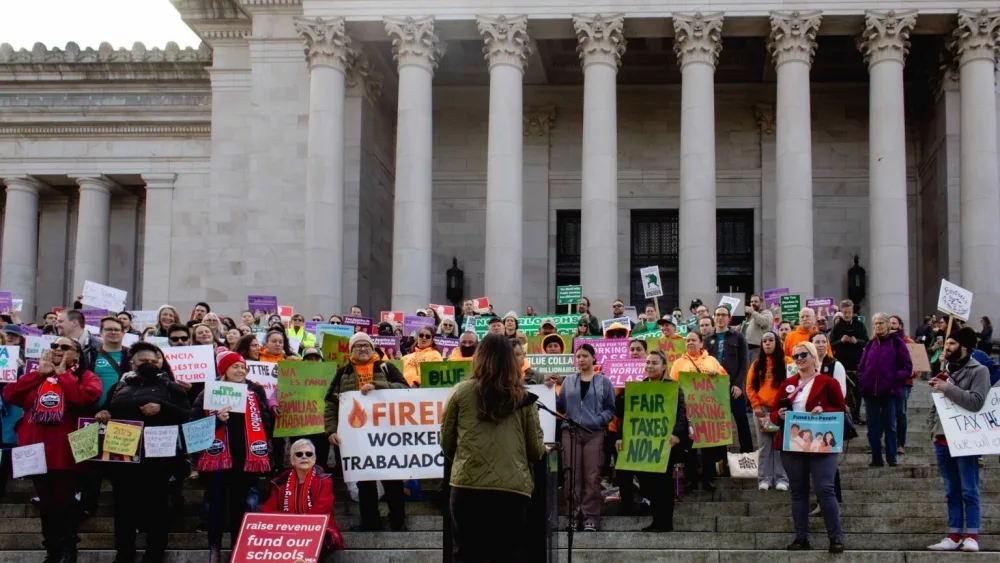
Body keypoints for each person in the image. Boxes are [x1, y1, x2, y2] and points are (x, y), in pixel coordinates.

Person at [440, 333, 545, 561]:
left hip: (467, 486)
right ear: (510, 361)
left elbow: (445, 442)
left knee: (467, 555)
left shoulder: (460, 392)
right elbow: (536, 450)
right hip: (512, 491)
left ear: (478, 358)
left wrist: (466, 459)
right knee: (506, 555)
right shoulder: (524, 398)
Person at [3, 337, 102, 563]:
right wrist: (39, 374)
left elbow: (83, 398)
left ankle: (68, 549)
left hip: (68, 446)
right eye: (54, 346)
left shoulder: (86, 377)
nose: (57, 350)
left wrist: (62, 374)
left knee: (64, 500)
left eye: (65, 347)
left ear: (77, 355)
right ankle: (52, 549)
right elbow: (10, 395)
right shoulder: (37, 376)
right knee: (46, 502)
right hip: (37, 446)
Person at [96, 341, 191, 563]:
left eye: (153, 361)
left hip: (158, 457)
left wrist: (163, 408)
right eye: (143, 361)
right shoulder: (119, 386)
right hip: (123, 454)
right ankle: (124, 552)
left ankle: (154, 554)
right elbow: (106, 407)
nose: (148, 364)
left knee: (157, 506)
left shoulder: (171, 387)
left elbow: (187, 415)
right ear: (133, 363)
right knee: (123, 507)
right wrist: (103, 412)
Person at [194, 351, 273, 561]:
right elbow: (194, 427)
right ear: (224, 370)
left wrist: (264, 453)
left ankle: (239, 549)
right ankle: (215, 547)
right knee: (216, 507)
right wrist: (217, 420)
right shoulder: (207, 394)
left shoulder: (254, 393)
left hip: (245, 462)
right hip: (217, 462)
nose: (240, 370)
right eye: (235, 367)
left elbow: (265, 425)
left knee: (241, 507)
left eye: (242, 367)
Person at [325, 332, 409, 530]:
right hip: (358, 438)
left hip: (388, 435)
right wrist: (330, 430)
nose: (362, 349)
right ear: (351, 350)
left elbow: (405, 390)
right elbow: (330, 404)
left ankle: (398, 522)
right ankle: (370, 521)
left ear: (373, 349)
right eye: (358, 346)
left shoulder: (386, 367)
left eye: (366, 345)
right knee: (365, 481)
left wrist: (378, 386)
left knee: (393, 480)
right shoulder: (343, 372)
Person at [770, 342, 846, 554]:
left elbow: (840, 409)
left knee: (825, 488)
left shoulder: (828, 382)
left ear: (814, 357)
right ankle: (801, 538)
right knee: (798, 491)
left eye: (803, 354)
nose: (799, 358)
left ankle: (835, 538)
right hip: (793, 443)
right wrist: (780, 415)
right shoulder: (787, 383)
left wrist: (825, 409)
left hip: (821, 441)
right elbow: (774, 412)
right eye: (796, 356)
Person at [927, 326, 991, 552]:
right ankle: (954, 535)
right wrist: (932, 429)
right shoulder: (946, 370)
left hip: (966, 439)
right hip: (942, 438)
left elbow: (976, 402)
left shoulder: (979, 370)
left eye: (951, 344)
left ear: (964, 347)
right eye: (946, 344)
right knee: (951, 490)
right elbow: (937, 405)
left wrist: (947, 387)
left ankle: (972, 535)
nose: (947, 348)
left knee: (969, 489)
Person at [615, 350, 690, 531]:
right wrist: (621, 437)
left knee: (664, 483)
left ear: (664, 366)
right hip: (644, 445)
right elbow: (629, 417)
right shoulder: (639, 388)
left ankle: (665, 522)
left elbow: (681, 414)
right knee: (648, 483)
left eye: (654, 363)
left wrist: (676, 434)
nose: (649, 366)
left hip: (666, 444)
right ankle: (657, 520)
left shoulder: (673, 387)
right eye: (647, 362)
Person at [79, 316, 135, 517]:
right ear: (100, 333)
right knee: (87, 465)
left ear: (123, 333)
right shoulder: (89, 356)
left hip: (121, 417)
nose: (113, 332)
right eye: (108, 329)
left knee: (122, 468)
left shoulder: (131, 356)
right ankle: (86, 506)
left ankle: (124, 511)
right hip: (89, 416)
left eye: (117, 329)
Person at [557, 343, 615, 532]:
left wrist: (599, 421)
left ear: (593, 358)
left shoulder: (604, 381)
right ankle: (573, 516)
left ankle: (590, 517)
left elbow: (610, 408)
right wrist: (550, 388)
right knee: (571, 475)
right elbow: (561, 405)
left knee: (592, 475)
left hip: (594, 433)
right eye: (578, 356)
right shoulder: (567, 381)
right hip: (571, 432)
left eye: (584, 356)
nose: (580, 359)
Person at [262, 439, 344, 554]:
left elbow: (324, 507)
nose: (304, 457)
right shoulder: (280, 483)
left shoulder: (324, 481)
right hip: (286, 532)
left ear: (314, 459)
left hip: (316, 530)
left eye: (309, 454)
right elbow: (267, 510)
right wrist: (290, 524)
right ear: (292, 460)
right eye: (299, 454)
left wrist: (301, 525)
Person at [670, 331, 728, 491]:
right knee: (689, 447)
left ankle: (708, 478)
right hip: (687, 412)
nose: (690, 343)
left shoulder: (712, 361)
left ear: (701, 343)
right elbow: (671, 386)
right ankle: (691, 480)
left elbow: (724, 381)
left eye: (693, 340)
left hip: (707, 412)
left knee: (708, 448)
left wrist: (716, 375)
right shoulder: (678, 363)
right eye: (687, 340)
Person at [857, 312, 912, 467]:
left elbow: (907, 367)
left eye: (881, 323)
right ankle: (876, 458)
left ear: (888, 324)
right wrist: (863, 378)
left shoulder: (897, 343)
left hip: (890, 391)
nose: (878, 326)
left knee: (890, 426)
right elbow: (861, 366)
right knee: (873, 427)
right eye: (875, 323)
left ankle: (892, 457)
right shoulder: (870, 344)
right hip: (870, 392)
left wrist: (893, 378)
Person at [809, 331, 848, 516]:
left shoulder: (835, 365)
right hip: (809, 419)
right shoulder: (805, 365)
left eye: (823, 342)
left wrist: (824, 407)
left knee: (828, 462)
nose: (820, 345)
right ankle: (820, 501)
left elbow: (841, 393)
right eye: (816, 342)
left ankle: (831, 500)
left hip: (829, 418)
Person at [705, 306, 753, 453]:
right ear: (714, 317)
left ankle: (748, 454)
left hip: (734, 387)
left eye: (723, 315)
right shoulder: (707, 339)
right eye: (718, 314)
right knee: (718, 424)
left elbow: (744, 363)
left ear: (729, 318)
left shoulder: (738, 337)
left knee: (741, 420)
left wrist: (738, 384)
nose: (720, 318)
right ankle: (720, 459)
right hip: (714, 389)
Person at [745, 331, 789, 491]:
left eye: (771, 340)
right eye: (764, 341)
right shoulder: (756, 364)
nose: (767, 343)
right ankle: (764, 478)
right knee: (764, 446)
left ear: (776, 342)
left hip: (781, 410)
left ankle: (782, 479)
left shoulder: (787, 362)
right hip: (762, 410)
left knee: (780, 445)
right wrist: (756, 407)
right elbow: (749, 387)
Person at [829, 299, 869, 423]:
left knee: (857, 392)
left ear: (852, 312)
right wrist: (840, 341)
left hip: (857, 363)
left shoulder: (860, 325)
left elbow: (867, 341)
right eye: (845, 312)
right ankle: (844, 416)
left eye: (849, 312)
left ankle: (856, 415)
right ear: (841, 312)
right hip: (842, 364)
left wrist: (857, 341)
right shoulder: (837, 326)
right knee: (843, 391)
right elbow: (830, 344)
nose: (847, 315)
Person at [743, 294, 774, 363]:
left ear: (761, 303)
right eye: (751, 302)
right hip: (746, 349)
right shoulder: (750, 316)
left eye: (755, 301)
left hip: (757, 349)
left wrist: (753, 312)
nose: (753, 303)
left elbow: (764, 322)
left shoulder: (767, 313)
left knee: (756, 371)